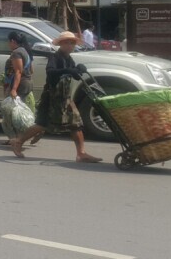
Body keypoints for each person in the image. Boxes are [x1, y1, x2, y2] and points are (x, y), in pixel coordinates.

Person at [9, 31, 102, 163]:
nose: (70, 46)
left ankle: (81, 153)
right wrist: (67, 71)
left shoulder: (69, 59)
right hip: (52, 97)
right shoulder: (55, 57)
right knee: (42, 124)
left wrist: (78, 70)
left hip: (65, 97)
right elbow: (51, 73)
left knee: (76, 124)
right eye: (67, 43)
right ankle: (18, 141)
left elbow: (74, 75)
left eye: (72, 43)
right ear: (61, 44)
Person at [1, 31, 41, 146]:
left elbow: (18, 72)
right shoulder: (26, 51)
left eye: (9, 42)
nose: (8, 44)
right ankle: (18, 136)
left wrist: (13, 89)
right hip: (27, 84)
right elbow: (31, 70)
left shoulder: (16, 53)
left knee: (12, 112)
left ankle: (20, 137)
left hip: (19, 85)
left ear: (13, 41)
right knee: (21, 111)